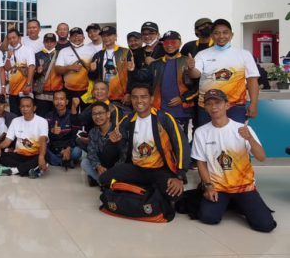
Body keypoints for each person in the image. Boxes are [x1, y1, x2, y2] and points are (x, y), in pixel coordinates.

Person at [192, 89, 276, 232]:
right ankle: (229, 202)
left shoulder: (242, 129)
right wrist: (208, 186)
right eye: (209, 104)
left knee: (266, 226)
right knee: (208, 217)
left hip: (244, 187)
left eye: (218, 103)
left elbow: (262, 157)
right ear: (205, 108)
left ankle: (236, 202)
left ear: (227, 105)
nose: (214, 107)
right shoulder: (201, 132)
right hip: (218, 187)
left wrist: (249, 138)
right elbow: (201, 163)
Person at [99, 85, 189, 216]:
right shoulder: (127, 121)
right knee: (104, 179)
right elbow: (108, 159)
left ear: (151, 99)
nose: (139, 101)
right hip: (136, 168)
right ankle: (149, 188)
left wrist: (180, 176)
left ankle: (150, 188)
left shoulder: (164, 118)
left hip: (159, 169)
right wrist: (111, 143)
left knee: (176, 196)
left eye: (143, 97)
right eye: (135, 97)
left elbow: (181, 145)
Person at [187, 18, 259, 127]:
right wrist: (191, 68)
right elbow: (195, 74)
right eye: (217, 33)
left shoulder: (244, 54)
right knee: (208, 139)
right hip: (207, 106)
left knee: (235, 139)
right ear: (212, 36)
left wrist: (253, 104)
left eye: (225, 33)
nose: (221, 36)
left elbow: (252, 80)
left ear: (232, 35)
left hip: (235, 106)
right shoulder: (203, 54)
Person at [135, 31, 197, 130]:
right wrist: (131, 70)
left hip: (181, 113)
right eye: (166, 42)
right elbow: (143, 81)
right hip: (158, 111)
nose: (169, 45)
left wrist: (183, 98)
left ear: (180, 43)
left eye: (173, 42)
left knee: (180, 143)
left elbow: (197, 87)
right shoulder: (156, 64)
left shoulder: (188, 62)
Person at [0, 96, 49, 178]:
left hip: (34, 155)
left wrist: (41, 156)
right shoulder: (16, 121)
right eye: (22, 106)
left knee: (45, 155)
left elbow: (43, 140)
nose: (25, 109)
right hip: (19, 155)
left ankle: (13, 171)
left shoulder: (42, 121)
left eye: (28, 106)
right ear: (19, 108)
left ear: (34, 108)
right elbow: (8, 141)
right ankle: (30, 169)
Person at [80, 102, 127, 186]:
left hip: (115, 166)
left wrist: (113, 170)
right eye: (94, 114)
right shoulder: (93, 132)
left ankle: (103, 181)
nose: (97, 117)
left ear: (108, 114)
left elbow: (124, 155)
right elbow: (92, 152)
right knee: (85, 163)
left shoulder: (118, 130)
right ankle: (104, 183)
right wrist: (98, 167)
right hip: (102, 165)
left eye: (100, 113)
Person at [88, 26, 134, 104]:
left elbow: (131, 74)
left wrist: (129, 93)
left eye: (109, 35)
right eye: (103, 36)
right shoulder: (98, 55)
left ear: (115, 36)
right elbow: (92, 77)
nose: (106, 38)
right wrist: (92, 71)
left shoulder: (125, 52)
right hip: (104, 97)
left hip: (122, 97)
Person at [55, 27, 96, 104]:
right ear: (69, 38)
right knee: (71, 112)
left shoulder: (92, 50)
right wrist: (70, 67)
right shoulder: (63, 51)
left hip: (87, 90)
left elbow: (95, 71)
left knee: (86, 114)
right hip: (69, 90)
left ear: (83, 37)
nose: (76, 38)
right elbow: (57, 69)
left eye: (79, 35)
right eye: (73, 36)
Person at [45, 91, 83, 168]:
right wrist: (51, 132)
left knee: (77, 152)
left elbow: (76, 135)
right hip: (54, 148)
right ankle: (64, 161)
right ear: (53, 101)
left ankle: (58, 160)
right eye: (56, 99)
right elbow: (45, 137)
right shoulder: (48, 116)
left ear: (66, 101)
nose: (59, 102)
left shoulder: (72, 115)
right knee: (42, 150)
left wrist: (68, 148)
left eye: (61, 99)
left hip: (69, 147)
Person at [4, 29, 36, 114]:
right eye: (9, 38)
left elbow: (31, 67)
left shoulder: (28, 50)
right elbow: (7, 68)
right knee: (14, 116)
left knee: (26, 115)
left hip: (24, 90)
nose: (12, 40)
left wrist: (28, 85)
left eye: (14, 37)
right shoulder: (9, 50)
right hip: (12, 91)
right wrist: (8, 57)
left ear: (19, 38)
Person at [34, 33, 63, 117]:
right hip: (41, 94)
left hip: (57, 93)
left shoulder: (60, 54)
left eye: (52, 42)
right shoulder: (37, 55)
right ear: (43, 42)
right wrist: (38, 72)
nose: (49, 44)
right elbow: (33, 75)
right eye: (47, 41)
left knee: (56, 118)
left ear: (56, 43)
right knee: (42, 118)